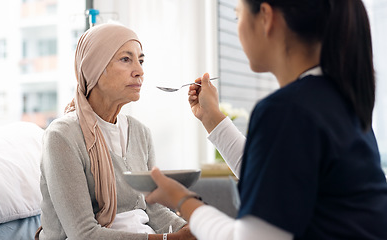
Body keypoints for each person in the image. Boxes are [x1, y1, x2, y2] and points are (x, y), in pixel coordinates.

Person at [146, 0, 387, 239]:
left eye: (237, 16)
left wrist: (183, 199)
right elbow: (277, 180)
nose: (238, 27)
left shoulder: (287, 110)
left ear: (266, 17)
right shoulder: (338, 100)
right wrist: (212, 119)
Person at [37, 23, 196, 240]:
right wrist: (170, 239)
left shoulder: (141, 133)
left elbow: (155, 210)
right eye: (125, 59)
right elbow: (83, 234)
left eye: (140, 60)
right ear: (94, 67)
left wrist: (194, 228)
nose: (140, 71)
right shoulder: (62, 136)